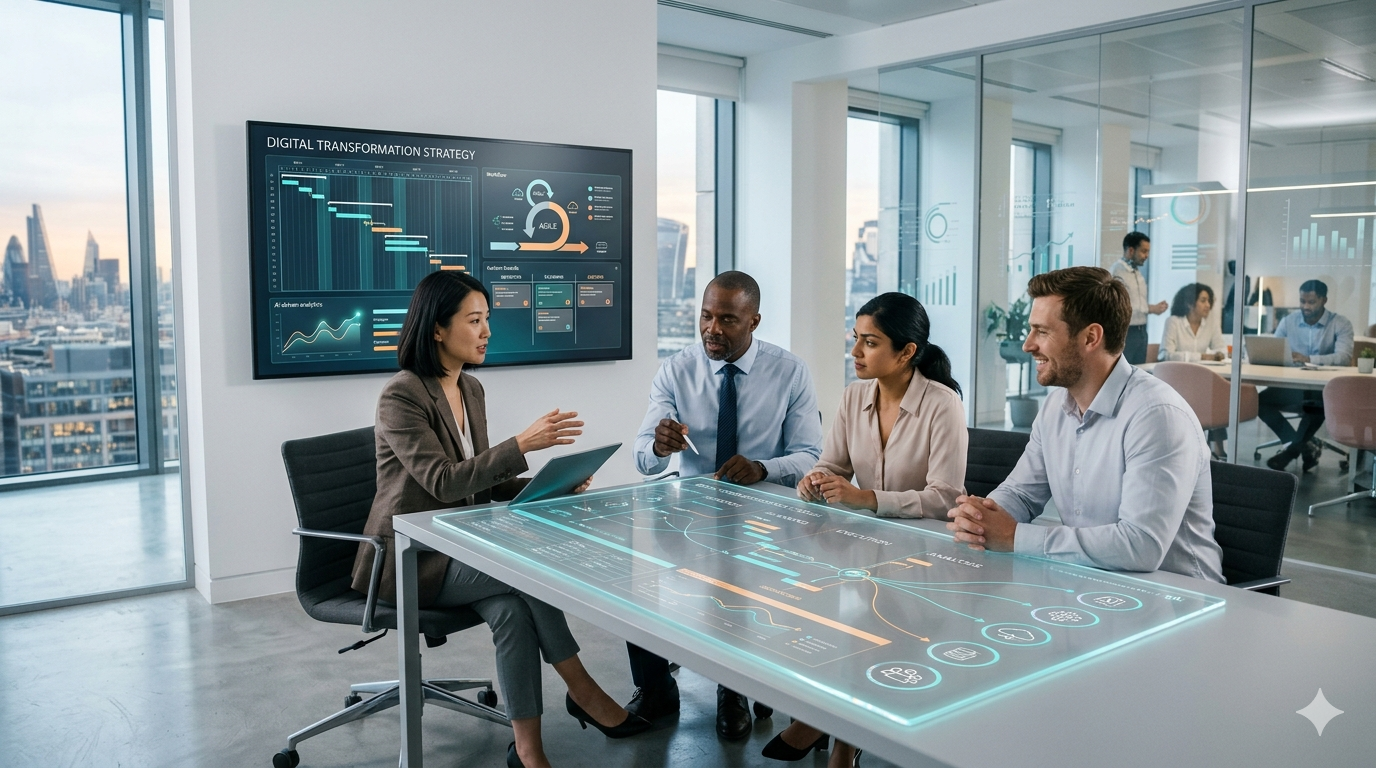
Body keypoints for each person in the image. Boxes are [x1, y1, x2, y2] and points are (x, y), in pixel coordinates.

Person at [352, 271, 648, 768]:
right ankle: (583, 690)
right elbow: (443, 482)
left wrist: (548, 484)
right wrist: (522, 445)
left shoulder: (471, 389)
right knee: (528, 575)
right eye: (474, 320)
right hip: (411, 558)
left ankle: (528, 751)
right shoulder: (401, 396)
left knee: (511, 611)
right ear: (437, 329)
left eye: (487, 318)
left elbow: (477, 483)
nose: (487, 331)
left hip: (462, 545)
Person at [764, 292, 967, 768]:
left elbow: (945, 498)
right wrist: (814, 480)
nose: (855, 351)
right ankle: (835, 724)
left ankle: (836, 734)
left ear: (907, 352)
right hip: (867, 547)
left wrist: (866, 498)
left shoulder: (943, 405)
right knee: (822, 610)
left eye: (870, 342)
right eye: (855, 338)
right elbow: (832, 464)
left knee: (871, 624)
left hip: (927, 559)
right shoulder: (854, 396)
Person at [630, 270, 823, 740]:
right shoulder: (677, 370)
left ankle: (732, 686)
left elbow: (810, 456)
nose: (712, 329)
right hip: (692, 510)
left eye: (727, 320)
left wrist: (762, 468)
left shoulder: (790, 372)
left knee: (734, 573)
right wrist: (658, 446)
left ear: (753, 321)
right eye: (706, 316)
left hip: (765, 512)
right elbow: (643, 459)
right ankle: (655, 688)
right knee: (636, 573)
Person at [946, 266, 1224, 583]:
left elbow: (1141, 546)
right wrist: (981, 516)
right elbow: (1021, 494)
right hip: (1093, 582)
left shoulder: (1157, 416)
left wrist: (1014, 537)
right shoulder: (1055, 408)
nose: (1028, 345)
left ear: (1091, 337)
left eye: (1042, 332)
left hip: (1180, 595)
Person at [1260, 279, 1354, 472]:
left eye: (1311, 302)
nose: (1305, 306)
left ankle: (1291, 451)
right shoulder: (1288, 322)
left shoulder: (1340, 323)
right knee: (1258, 401)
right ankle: (1298, 445)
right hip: (1293, 388)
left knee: (1318, 403)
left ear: (1324, 300)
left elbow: (1344, 358)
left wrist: (1309, 359)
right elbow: (1275, 351)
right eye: (1302, 301)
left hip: (1323, 390)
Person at [1160, 283, 1230, 459]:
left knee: (1216, 394)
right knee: (1210, 395)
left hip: (1202, 380)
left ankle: (1217, 449)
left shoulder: (1211, 324)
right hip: (1178, 382)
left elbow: (1221, 349)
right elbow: (1165, 354)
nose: (1208, 305)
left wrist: (1216, 355)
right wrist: (1202, 356)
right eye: (1203, 300)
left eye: (1209, 301)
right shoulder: (1174, 322)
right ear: (1190, 303)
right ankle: (1213, 448)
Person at [1110, 232, 1168, 365]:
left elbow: (1137, 302)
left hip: (1141, 331)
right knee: (1124, 371)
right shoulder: (1117, 271)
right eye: (1143, 251)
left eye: (1148, 251)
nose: (1146, 256)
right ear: (1131, 250)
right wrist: (1150, 309)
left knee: (1139, 370)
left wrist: (1152, 307)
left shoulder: (1136, 272)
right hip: (1126, 332)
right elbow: (1119, 305)